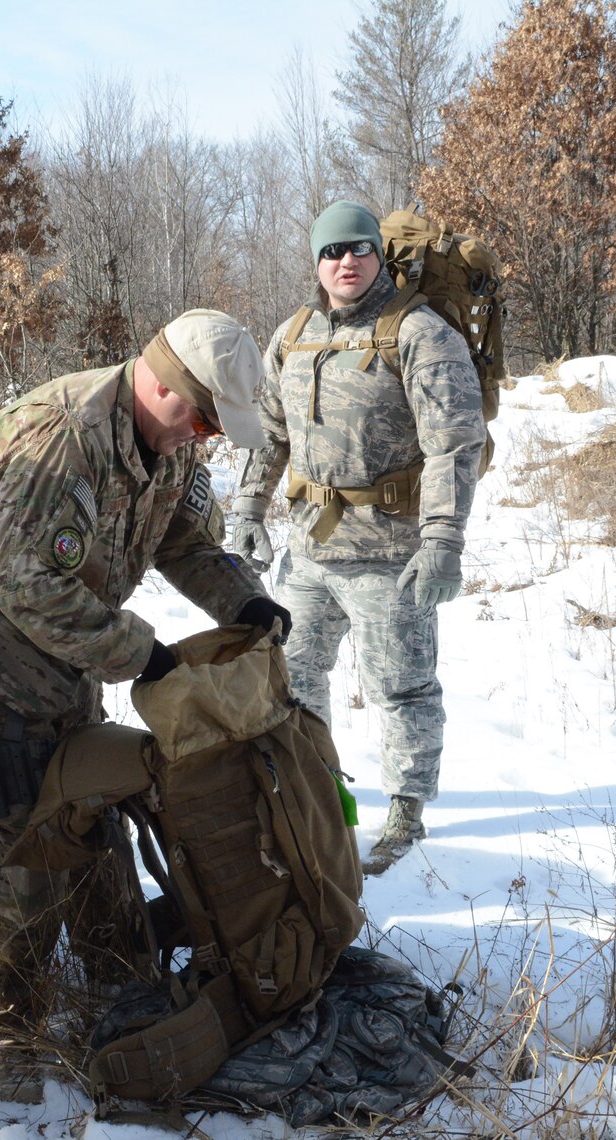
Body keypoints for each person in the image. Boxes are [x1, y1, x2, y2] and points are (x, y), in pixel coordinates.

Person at [0, 308, 288, 1098]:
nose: (208, 435)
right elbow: (25, 586)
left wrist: (243, 602)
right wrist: (139, 651)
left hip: (59, 657)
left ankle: (119, 983)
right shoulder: (60, 439)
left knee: (92, 812)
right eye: (205, 416)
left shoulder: (167, 446)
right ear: (165, 384)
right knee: (23, 847)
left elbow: (182, 540)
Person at [228, 201, 488, 876]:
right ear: (316, 261)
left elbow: (454, 444)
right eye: (331, 250)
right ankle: (318, 787)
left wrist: (441, 541)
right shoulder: (293, 335)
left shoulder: (421, 334)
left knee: (400, 685)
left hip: (390, 555)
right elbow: (269, 431)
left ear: (379, 254)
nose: (345, 260)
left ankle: (406, 808)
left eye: (359, 248)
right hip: (309, 550)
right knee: (294, 677)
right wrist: (248, 510)